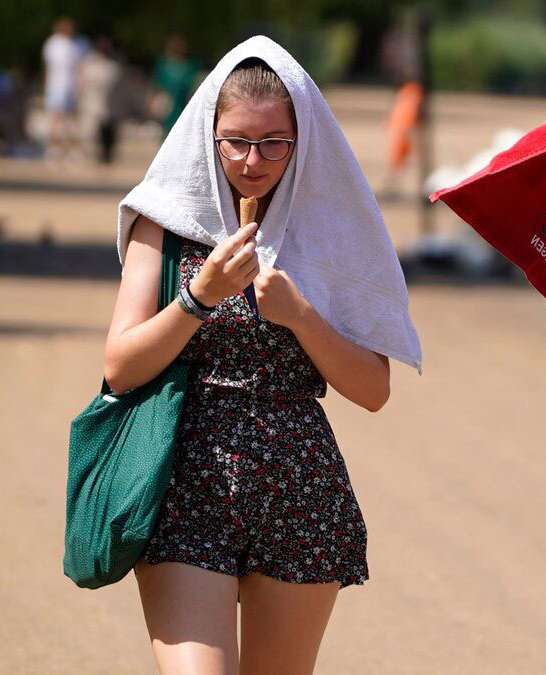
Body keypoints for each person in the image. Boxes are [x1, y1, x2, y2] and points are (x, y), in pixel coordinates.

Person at [105, 37, 420, 674]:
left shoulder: (330, 233)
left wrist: (301, 317)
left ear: (302, 141)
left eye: (274, 143)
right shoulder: (164, 221)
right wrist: (200, 296)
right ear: (207, 134)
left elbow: (374, 389)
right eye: (236, 141)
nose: (253, 161)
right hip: (184, 475)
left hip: (299, 483)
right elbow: (120, 366)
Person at [41, 17, 85, 160]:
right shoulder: (52, 44)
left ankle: (74, 149)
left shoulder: (75, 45)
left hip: (70, 87)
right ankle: (54, 148)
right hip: (56, 86)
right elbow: (47, 67)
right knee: (55, 119)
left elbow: (78, 68)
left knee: (71, 120)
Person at [77, 36, 123, 164]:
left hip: (109, 104)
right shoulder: (89, 64)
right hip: (92, 102)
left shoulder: (114, 66)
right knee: (91, 131)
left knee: (108, 132)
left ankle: (106, 156)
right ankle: (92, 155)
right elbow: (82, 82)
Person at [152, 35, 199, 137]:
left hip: (182, 105)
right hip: (167, 106)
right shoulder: (164, 65)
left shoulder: (189, 66)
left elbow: (192, 87)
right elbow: (157, 86)